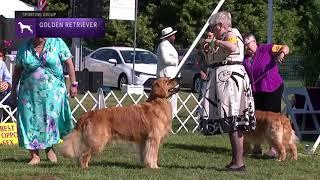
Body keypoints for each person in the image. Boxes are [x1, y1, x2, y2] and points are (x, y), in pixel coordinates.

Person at [203, 11, 256, 171]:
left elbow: (232, 46)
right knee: (233, 121)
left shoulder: (231, 34)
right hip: (225, 80)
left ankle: (238, 162)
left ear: (221, 25)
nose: (212, 30)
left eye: (213, 27)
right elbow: (211, 55)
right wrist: (207, 46)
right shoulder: (221, 37)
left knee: (233, 121)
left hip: (231, 82)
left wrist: (216, 41)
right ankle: (236, 160)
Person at [11, 37, 78, 165]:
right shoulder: (25, 47)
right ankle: (34, 156)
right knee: (29, 122)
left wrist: (73, 84)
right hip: (29, 95)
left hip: (53, 95)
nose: (42, 36)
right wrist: (13, 89)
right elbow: (17, 70)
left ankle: (49, 148)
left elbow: (69, 63)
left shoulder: (57, 42)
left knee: (50, 121)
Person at [242, 33, 289, 157]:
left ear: (255, 42)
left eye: (248, 44)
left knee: (271, 120)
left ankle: (273, 149)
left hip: (272, 88)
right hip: (256, 91)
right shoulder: (244, 58)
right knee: (256, 119)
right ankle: (256, 148)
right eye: (244, 45)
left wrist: (282, 53)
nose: (247, 47)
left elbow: (285, 47)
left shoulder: (266, 49)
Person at [156, 27, 179, 116]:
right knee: (167, 98)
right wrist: (177, 61)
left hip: (170, 76)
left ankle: (171, 115)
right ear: (168, 36)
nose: (174, 37)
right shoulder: (163, 45)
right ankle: (167, 116)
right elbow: (165, 60)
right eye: (173, 35)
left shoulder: (167, 45)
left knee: (172, 97)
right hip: (166, 76)